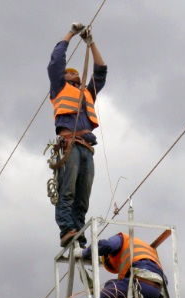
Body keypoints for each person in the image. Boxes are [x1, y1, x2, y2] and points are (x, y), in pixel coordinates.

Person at [47, 23, 107, 247]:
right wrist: (71, 34)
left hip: (86, 149)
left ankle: (78, 230)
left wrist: (91, 44)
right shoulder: (59, 88)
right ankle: (67, 229)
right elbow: (56, 61)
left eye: (75, 75)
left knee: (82, 197)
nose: (73, 76)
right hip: (69, 145)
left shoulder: (87, 93)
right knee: (68, 191)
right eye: (69, 75)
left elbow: (101, 70)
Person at [75, 232, 167, 298]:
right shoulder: (146, 250)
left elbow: (105, 245)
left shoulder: (122, 240)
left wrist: (83, 252)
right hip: (155, 292)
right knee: (111, 284)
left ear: (108, 256)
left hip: (140, 283)